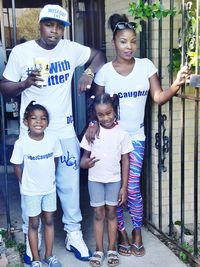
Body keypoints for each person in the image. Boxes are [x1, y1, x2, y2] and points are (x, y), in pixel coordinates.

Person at [0, 4, 106, 264]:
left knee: (69, 187)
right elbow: (4, 88)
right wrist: (25, 84)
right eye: (50, 24)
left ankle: (73, 233)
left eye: (59, 26)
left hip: (63, 129)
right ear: (40, 25)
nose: (54, 31)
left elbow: (99, 55)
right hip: (34, 134)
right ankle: (29, 238)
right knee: (31, 186)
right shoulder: (23, 53)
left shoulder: (70, 48)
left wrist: (89, 73)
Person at [86, 13, 191, 257]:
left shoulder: (145, 66)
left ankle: (136, 231)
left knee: (131, 188)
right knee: (114, 190)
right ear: (114, 42)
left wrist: (176, 84)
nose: (129, 46)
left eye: (133, 41)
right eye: (123, 41)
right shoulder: (104, 72)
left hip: (135, 139)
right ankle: (120, 232)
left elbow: (158, 98)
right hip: (109, 141)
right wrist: (92, 122)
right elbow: (96, 104)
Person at [80, 93, 133, 267]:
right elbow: (83, 160)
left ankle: (111, 249)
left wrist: (124, 187)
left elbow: (125, 160)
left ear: (115, 110)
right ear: (95, 115)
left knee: (111, 213)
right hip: (95, 179)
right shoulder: (92, 131)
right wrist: (85, 163)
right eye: (100, 115)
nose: (105, 118)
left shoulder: (122, 134)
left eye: (108, 113)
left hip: (114, 180)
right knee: (98, 214)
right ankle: (98, 249)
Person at [10, 101, 63, 267]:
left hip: (49, 189)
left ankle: (49, 255)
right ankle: (36, 259)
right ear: (26, 122)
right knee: (34, 223)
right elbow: (16, 165)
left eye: (43, 118)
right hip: (31, 191)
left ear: (47, 122)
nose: (39, 122)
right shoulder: (22, 143)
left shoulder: (53, 139)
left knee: (49, 221)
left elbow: (56, 159)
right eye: (34, 118)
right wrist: (24, 182)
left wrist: (50, 178)